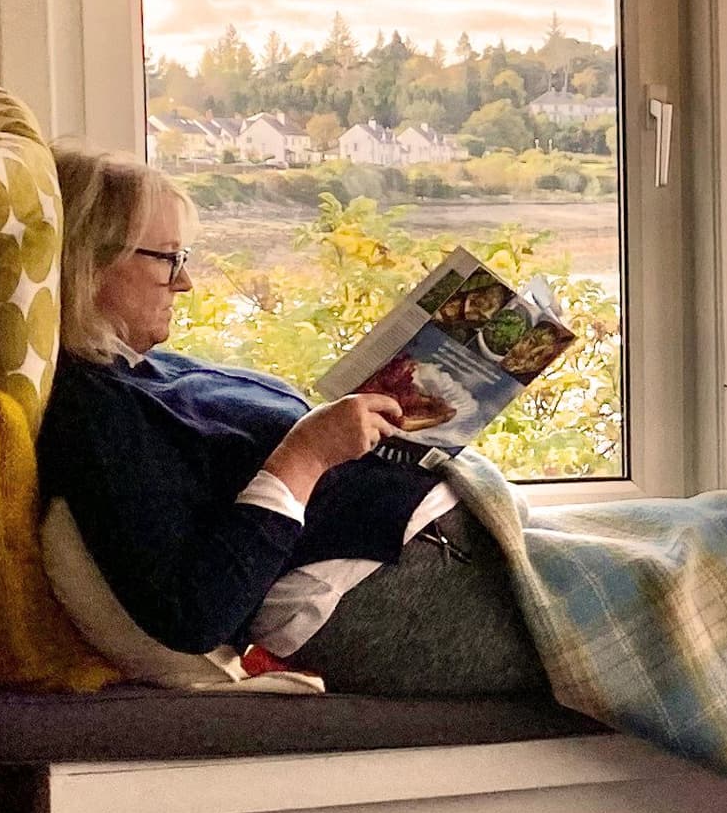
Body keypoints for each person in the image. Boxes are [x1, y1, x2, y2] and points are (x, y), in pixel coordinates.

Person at [37, 150, 548, 695]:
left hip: (443, 532)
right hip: (380, 579)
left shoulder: (148, 369)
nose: (184, 282)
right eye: (167, 258)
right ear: (88, 263)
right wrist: (306, 455)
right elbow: (194, 612)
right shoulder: (98, 412)